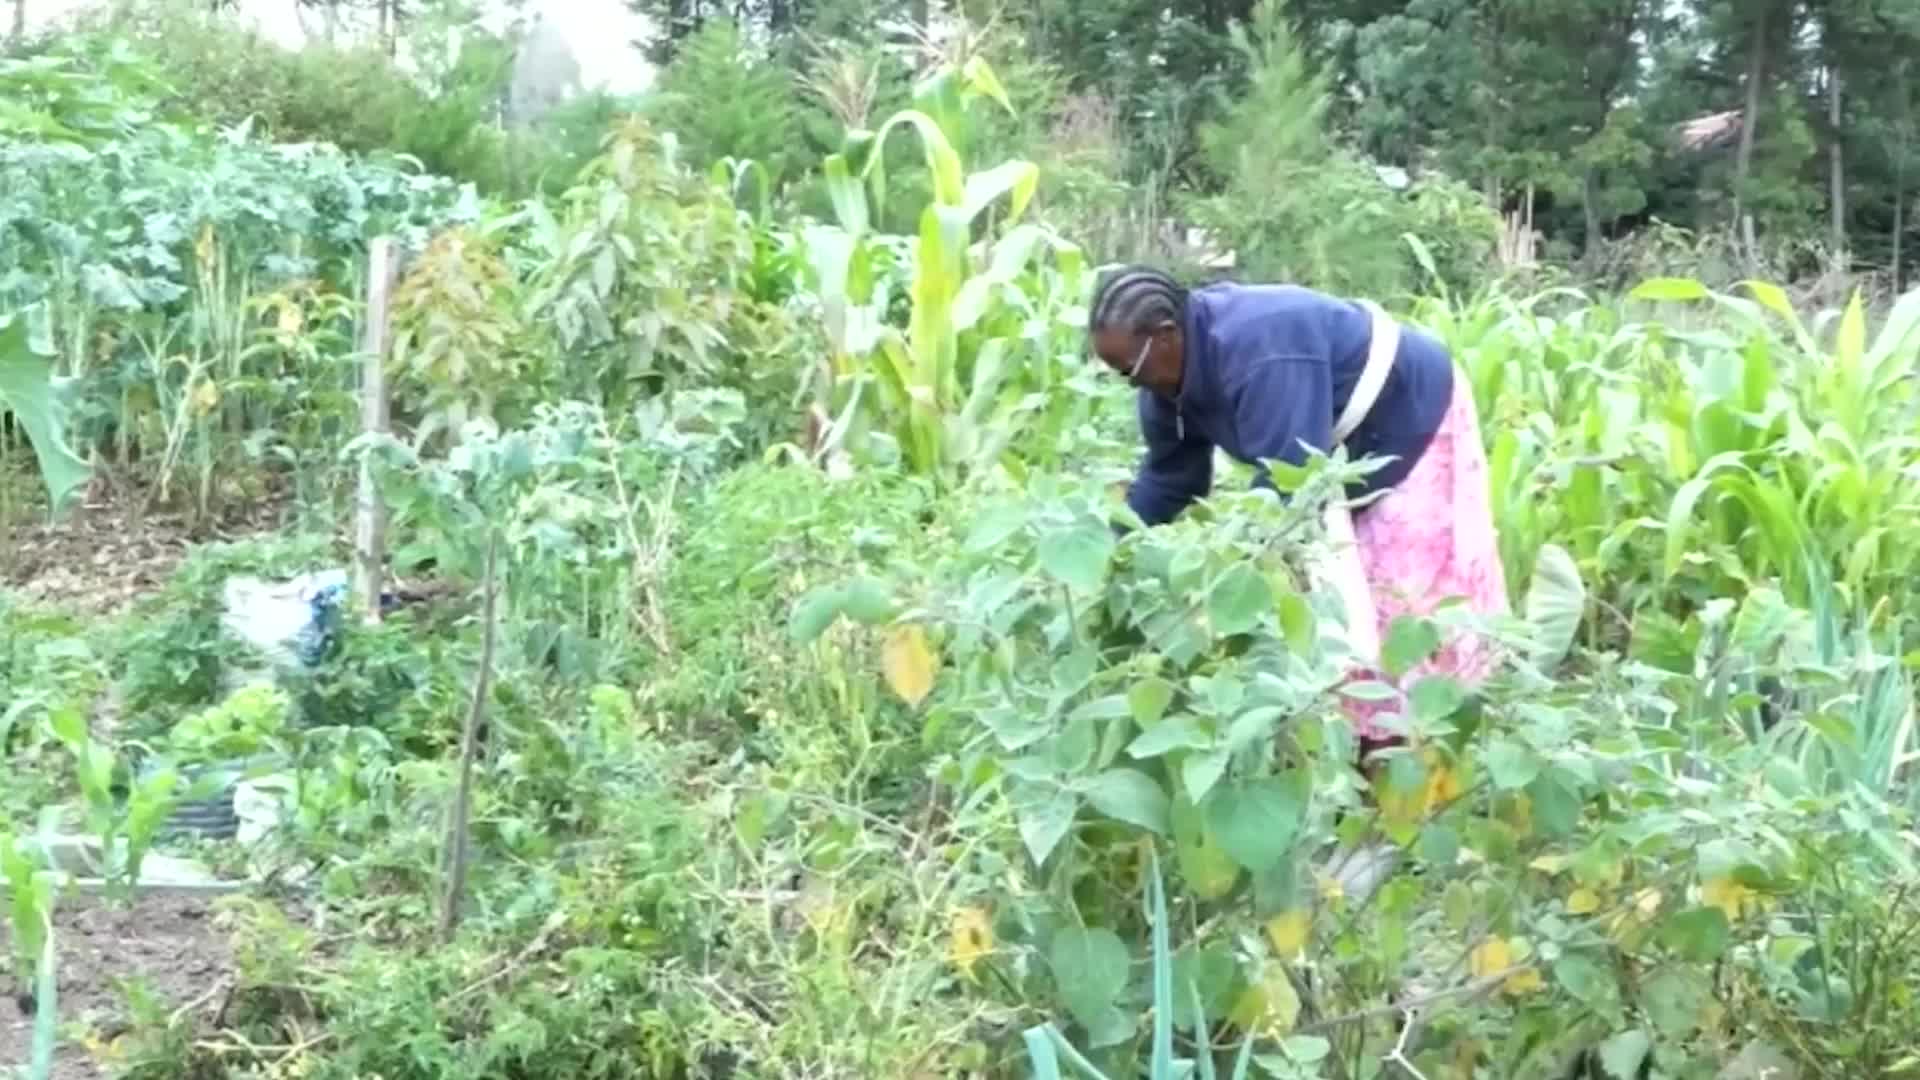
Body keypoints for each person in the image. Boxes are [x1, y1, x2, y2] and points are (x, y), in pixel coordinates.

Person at [1085, 266, 1510, 765]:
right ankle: (1360, 749)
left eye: (1129, 371)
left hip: (1407, 414)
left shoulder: (1261, 349)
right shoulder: (1165, 384)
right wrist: (1104, 550)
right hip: (1331, 446)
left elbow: (1289, 483)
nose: (1130, 384)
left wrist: (1220, 591)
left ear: (1166, 336)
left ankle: (1414, 753)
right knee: (1342, 608)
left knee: (1401, 600)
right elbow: (1171, 479)